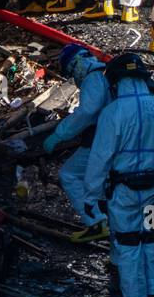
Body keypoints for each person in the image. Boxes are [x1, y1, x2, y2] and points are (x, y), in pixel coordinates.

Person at [84, 54, 154, 297]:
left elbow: (100, 158)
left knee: (128, 247)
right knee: (153, 244)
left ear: (116, 82)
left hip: (125, 196)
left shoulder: (113, 112)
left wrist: (91, 196)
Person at [42, 44, 111, 242]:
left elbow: (88, 111)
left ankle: (97, 223)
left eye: (72, 72)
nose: (74, 78)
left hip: (103, 139)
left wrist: (60, 134)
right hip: (117, 137)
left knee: (69, 175)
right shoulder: (104, 73)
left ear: (76, 63)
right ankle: (109, 226)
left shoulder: (93, 77)